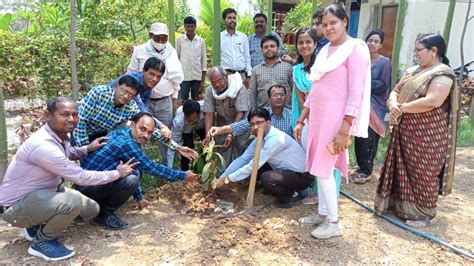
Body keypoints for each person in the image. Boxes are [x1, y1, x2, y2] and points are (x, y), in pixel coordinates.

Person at [0, 97, 136, 261]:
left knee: (92, 209)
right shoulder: (43, 145)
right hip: (15, 207)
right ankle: (42, 242)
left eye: (74, 114)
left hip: (38, 196)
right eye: (65, 114)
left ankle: (34, 225)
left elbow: (68, 154)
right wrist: (117, 173)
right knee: (71, 202)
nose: (71, 119)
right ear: (48, 115)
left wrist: (87, 149)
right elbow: (80, 176)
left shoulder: (58, 136)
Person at [294, 4, 371, 239]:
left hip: (336, 121)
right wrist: (301, 120)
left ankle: (334, 222)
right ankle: (323, 213)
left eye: (333, 23)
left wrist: (345, 128)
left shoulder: (355, 49)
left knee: (326, 170)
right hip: (317, 119)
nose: (328, 28)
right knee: (319, 169)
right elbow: (316, 90)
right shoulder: (326, 51)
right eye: (324, 24)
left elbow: (355, 92)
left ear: (345, 21)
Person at [374, 34, 457, 228]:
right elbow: (395, 90)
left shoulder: (441, 74)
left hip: (428, 136)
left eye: (419, 50)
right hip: (405, 131)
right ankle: (400, 207)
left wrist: (401, 108)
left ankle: (425, 214)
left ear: (434, 51)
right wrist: (393, 102)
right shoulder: (413, 71)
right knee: (404, 170)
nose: (415, 54)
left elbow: (433, 101)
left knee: (423, 173)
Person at [77, 112, 199, 230]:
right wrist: (183, 175)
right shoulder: (127, 143)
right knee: (132, 180)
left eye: (150, 132)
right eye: (143, 129)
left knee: (134, 170)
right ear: (132, 125)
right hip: (89, 187)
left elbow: (135, 167)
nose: (146, 135)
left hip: (86, 183)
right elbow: (151, 167)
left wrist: (139, 198)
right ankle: (103, 214)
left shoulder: (123, 133)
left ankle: (99, 206)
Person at [73, 75, 197, 162]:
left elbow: (147, 129)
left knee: (96, 166)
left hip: (100, 134)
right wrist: (85, 149)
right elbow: (81, 120)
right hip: (78, 130)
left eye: (131, 94)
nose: (126, 96)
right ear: (116, 86)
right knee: (79, 162)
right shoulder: (98, 93)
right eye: (124, 90)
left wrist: (177, 147)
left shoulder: (130, 107)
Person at [215, 108, 312, 208]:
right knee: (259, 166)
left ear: (268, 122)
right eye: (252, 124)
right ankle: (287, 188)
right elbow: (243, 159)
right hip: (287, 172)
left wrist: (227, 179)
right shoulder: (260, 139)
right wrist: (223, 176)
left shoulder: (275, 139)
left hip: (302, 176)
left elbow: (253, 165)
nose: (255, 127)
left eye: (259, 123)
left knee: (266, 177)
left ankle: (292, 195)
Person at [128, 22, 184, 166]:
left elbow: (176, 78)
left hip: (164, 102)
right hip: (141, 101)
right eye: (157, 37)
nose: (160, 41)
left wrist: (174, 98)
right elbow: (130, 76)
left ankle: (167, 171)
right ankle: (138, 168)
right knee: (139, 136)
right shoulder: (139, 51)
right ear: (150, 35)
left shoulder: (171, 52)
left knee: (165, 138)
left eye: (163, 38)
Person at [352, 29, 392, 184]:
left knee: (369, 136)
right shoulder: (361, 59)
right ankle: (361, 165)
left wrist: (362, 82)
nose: (372, 44)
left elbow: (382, 86)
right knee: (359, 135)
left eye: (376, 41)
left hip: (375, 105)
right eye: (370, 40)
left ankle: (366, 170)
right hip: (360, 103)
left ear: (381, 44)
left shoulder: (384, 62)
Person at [291, 28, 320, 205]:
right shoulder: (296, 70)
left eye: (308, 42)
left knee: (321, 155)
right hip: (306, 118)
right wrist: (305, 119)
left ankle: (325, 194)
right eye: (300, 42)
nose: (304, 45)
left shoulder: (322, 68)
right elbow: (302, 99)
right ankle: (313, 191)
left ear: (315, 44)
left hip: (323, 118)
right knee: (308, 155)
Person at [202, 67, 249, 168]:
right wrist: (208, 135)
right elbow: (209, 114)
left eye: (219, 80)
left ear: (226, 77)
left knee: (240, 145)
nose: (217, 84)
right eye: (213, 82)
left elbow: (240, 113)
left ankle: (240, 176)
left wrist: (231, 134)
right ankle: (222, 175)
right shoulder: (210, 91)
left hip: (240, 120)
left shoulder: (239, 88)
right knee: (222, 145)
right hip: (222, 121)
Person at [209, 84, 293, 138]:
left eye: (281, 95)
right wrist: (220, 130)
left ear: (286, 97)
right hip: (264, 155)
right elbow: (241, 126)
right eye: (275, 95)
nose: (279, 98)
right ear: (269, 98)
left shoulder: (293, 115)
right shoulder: (261, 114)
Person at [248, 34, 293, 109]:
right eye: (266, 47)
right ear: (262, 51)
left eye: (272, 46)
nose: (269, 49)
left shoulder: (288, 67)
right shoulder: (256, 70)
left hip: (286, 112)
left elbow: (294, 90)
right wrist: (254, 111)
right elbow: (252, 93)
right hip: (264, 114)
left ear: (278, 49)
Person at [167, 99, 206, 170]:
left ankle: (204, 166)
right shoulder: (178, 121)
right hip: (186, 129)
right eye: (189, 120)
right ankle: (185, 169)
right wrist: (169, 169)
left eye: (194, 119)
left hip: (203, 125)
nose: (192, 122)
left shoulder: (206, 107)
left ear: (199, 113)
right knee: (188, 146)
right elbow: (173, 144)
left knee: (207, 143)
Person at [176, 16, 207, 101]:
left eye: (192, 26)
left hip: (197, 77)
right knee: (182, 100)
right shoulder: (179, 40)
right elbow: (176, 58)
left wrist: (202, 81)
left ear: (195, 26)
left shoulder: (201, 41)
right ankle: (181, 114)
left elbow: (204, 61)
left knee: (196, 101)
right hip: (184, 77)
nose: (190, 29)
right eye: (188, 26)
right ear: (184, 27)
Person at [220, 8, 252, 88]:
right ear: (224, 21)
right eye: (229, 18)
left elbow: (247, 56)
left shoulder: (243, 37)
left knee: (241, 99)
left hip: (241, 76)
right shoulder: (219, 37)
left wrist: (249, 75)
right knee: (226, 100)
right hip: (225, 75)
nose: (232, 20)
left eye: (234, 18)